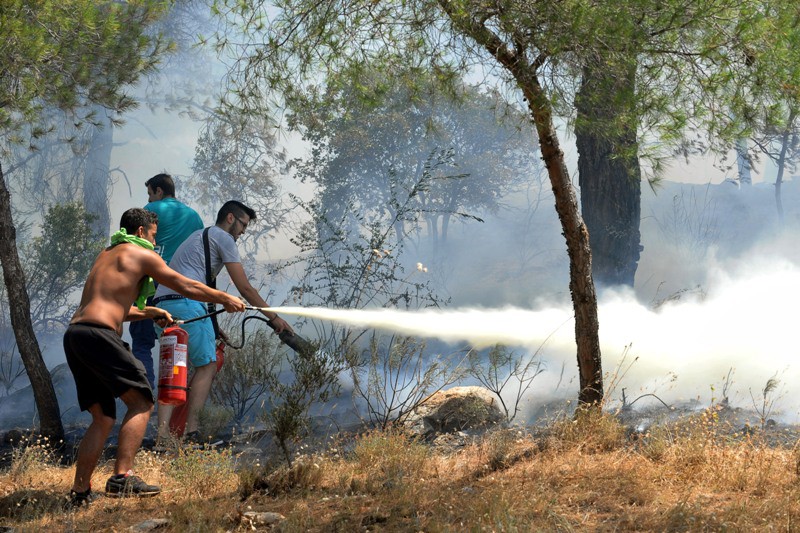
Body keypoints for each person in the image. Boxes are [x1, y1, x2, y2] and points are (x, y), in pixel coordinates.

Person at [63, 208, 245, 507]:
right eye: (153, 235)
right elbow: (184, 284)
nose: (154, 241)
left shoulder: (106, 255)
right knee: (142, 401)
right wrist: (224, 297)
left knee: (103, 417)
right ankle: (122, 477)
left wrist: (149, 311)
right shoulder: (141, 253)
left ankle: (80, 493)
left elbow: (114, 307)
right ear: (140, 232)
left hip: (77, 335)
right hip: (100, 335)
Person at [154, 200, 292, 444]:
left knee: (173, 368)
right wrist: (274, 318)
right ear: (230, 218)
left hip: (163, 306)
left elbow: (202, 281)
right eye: (243, 225)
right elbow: (245, 289)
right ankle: (191, 433)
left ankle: (162, 437)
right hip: (187, 302)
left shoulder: (200, 236)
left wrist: (215, 329)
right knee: (206, 366)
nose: (243, 232)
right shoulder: (224, 238)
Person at [129, 173, 203, 389]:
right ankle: (177, 393)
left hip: (151, 285)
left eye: (150, 194)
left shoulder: (150, 212)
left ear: (159, 191)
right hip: (183, 290)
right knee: (178, 343)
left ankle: (146, 392)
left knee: (142, 342)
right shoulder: (194, 217)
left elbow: (135, 246)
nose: (149, 199)